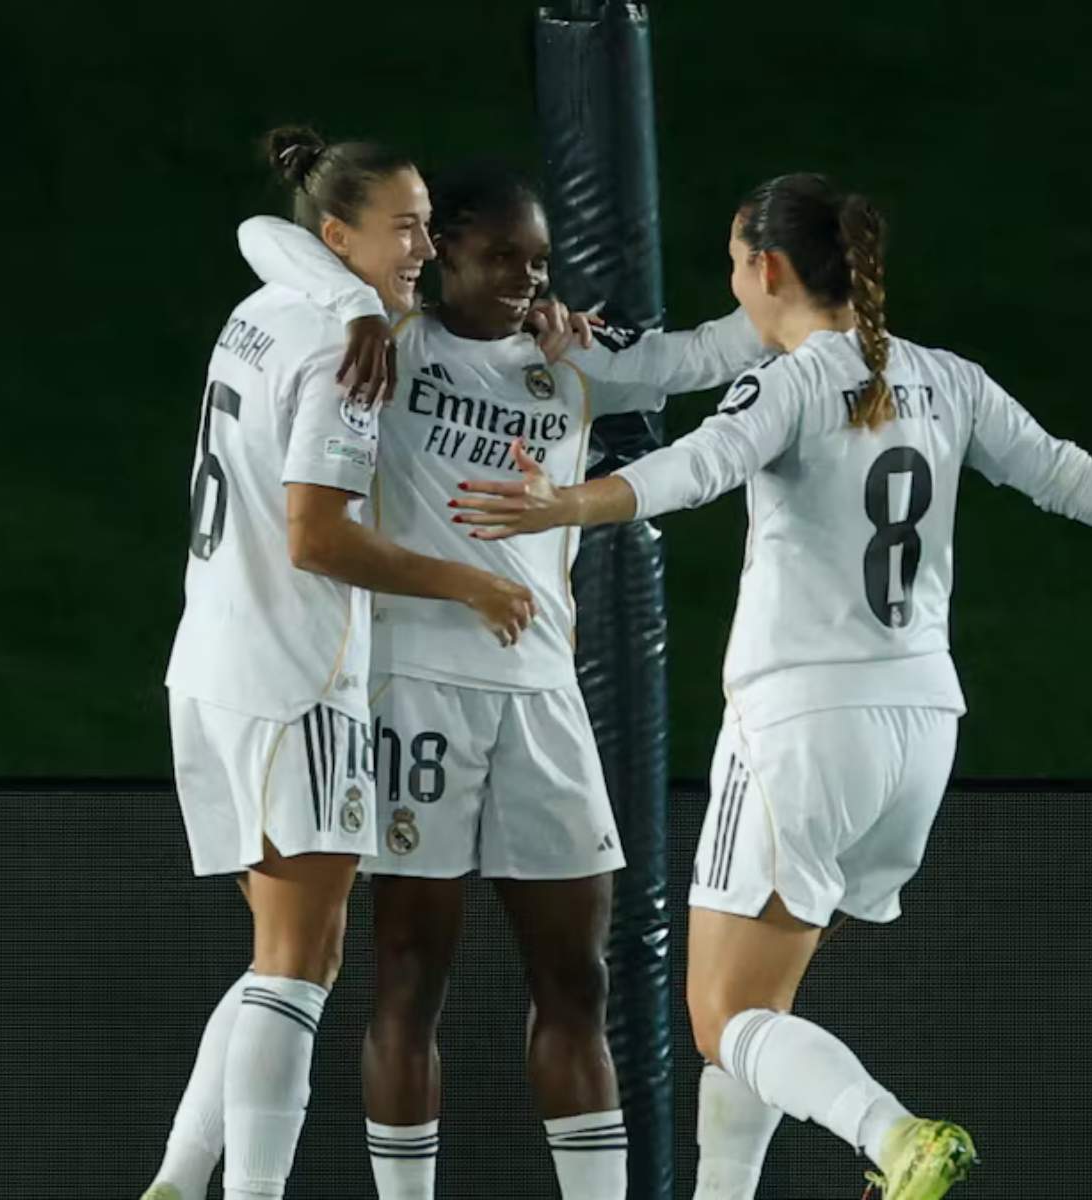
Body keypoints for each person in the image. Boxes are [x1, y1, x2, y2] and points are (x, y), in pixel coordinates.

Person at [454, 171, 1092, 1200]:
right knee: (763, 1015)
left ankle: (895, 1138)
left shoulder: (787, 383)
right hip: (920, 730)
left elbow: (696, 467)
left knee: (723, 1019)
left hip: (800, 726)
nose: (731, 283)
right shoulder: (946, 378)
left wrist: (565, 504)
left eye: (734, 263)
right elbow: (1073, 476)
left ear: (769, 267)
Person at [234, 165, 771, 1200]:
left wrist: (790, 277)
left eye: (539, 261)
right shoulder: (385, 343)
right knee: (406, 979)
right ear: (442, 253)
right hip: (413, 692)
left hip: (541, 699)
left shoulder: (567, 358)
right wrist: (354, 301)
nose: (527, 278)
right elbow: (264, 235)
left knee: (578, 979)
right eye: (502, 257)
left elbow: (712, 353)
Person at [142, 128, 536, 1200]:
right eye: (403, 226)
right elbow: (317, 536)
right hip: (295, 677)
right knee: (297, 966)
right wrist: (473, 581)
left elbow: (263, 239)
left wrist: (364, 297)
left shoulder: (264, 314)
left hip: (213, 663)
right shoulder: (346, 353)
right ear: (337, 235)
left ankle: (180, 1179)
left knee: (287, 951)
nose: (424, 245)